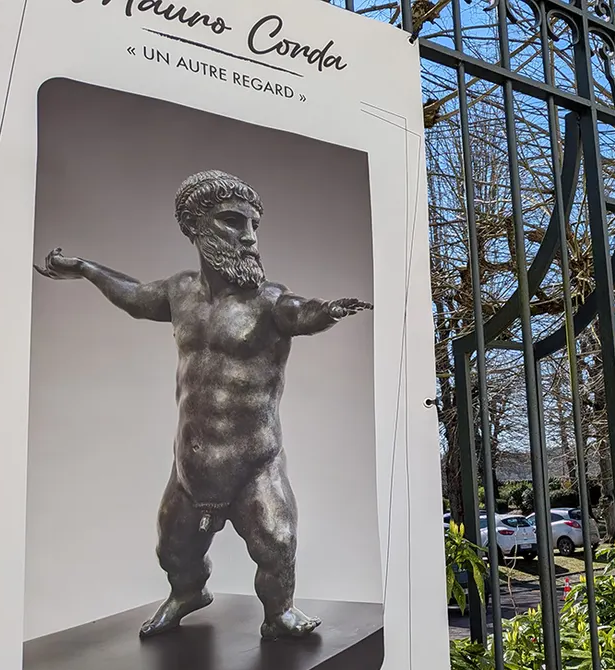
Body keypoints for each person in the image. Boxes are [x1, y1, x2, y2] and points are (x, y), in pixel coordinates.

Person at [34, 170, 371, 640]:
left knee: (277, 544)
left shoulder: (270, 300)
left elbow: (300, 312)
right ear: (195, 226)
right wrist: (87, 268)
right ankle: (188, 592)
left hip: (256, 466)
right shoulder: (180, 294)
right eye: (234, 221)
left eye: (254, 225)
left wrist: (327, 311)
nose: (250, 237)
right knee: (172, 551)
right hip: (191, 468)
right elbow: (134, 297)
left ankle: (280, 615)